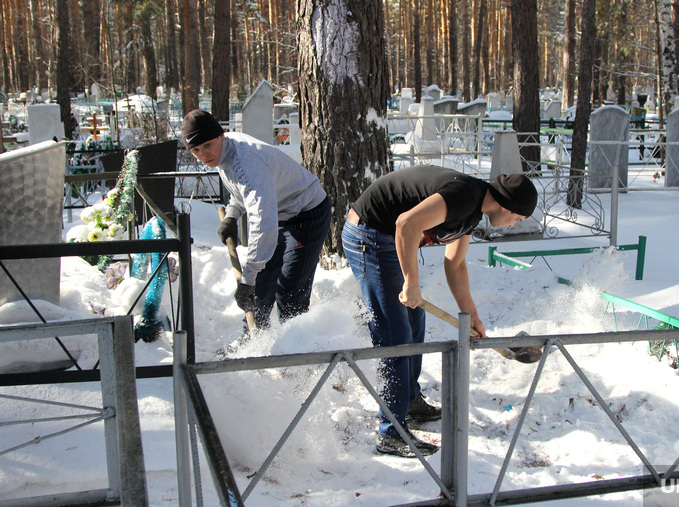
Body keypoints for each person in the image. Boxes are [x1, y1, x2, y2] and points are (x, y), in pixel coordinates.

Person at [341, 164, 539, 458]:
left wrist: (471, 315)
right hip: (369, 235)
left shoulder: (474, 211)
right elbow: (406, 225)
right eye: (517, 218)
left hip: (386, 238)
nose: (513, 224)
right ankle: (391, 432)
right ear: (505, 205)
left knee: (414, 320)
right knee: (395, 336)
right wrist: (411, 282)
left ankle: (408, 401)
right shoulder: (464, 196)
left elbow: (455, 264)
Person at [181, 109, 331, 329]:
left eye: (207, 145)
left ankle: (299, 355)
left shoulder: (247, 163)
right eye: (195, 149)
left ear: (221, 136)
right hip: (281, 213)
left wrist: (247, 278)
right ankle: (253, 348)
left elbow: (262, 222)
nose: (203, 154)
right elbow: (241, 192)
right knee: (261, 289)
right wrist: (232, 217)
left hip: (307, 213)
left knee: (289, 292)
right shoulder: (223, 153)